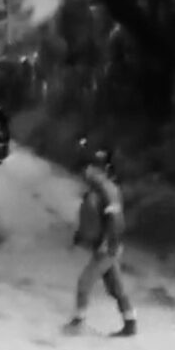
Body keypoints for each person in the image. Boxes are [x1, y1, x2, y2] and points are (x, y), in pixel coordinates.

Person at [65, 144, 137, 337]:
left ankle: (78, 322)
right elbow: (91, 217)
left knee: (84, 283)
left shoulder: (108, 190)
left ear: (98, 170)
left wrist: (108, 243)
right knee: (116, 288)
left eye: (89, 169)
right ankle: (130, 322)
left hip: (108, 247)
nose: (85, 173)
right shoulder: (96, 189)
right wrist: (80, 237)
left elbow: (116, 220)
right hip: (105, 245)